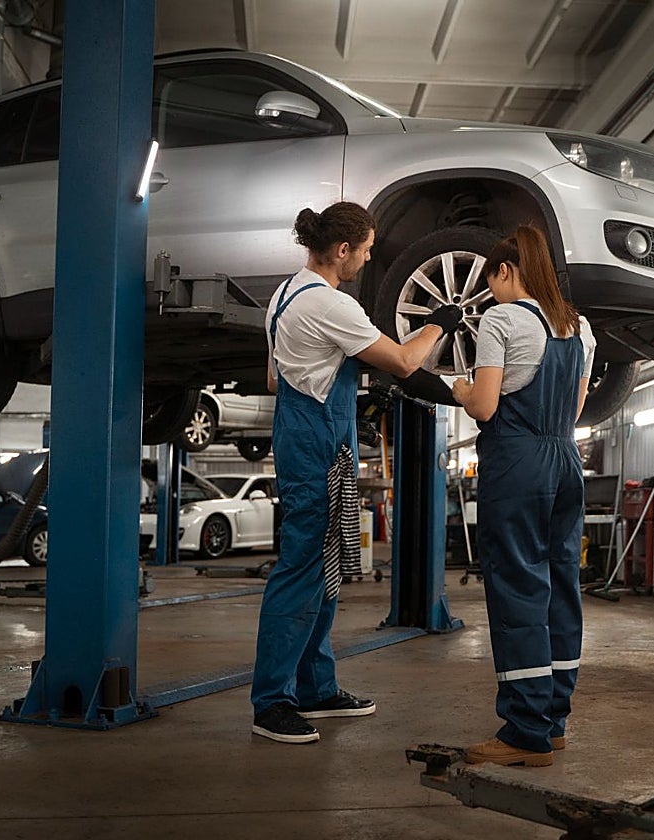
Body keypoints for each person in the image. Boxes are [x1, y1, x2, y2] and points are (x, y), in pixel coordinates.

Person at [251, 201, 464, 744]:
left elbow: (277, 379)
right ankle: (272, 703)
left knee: (323, 569)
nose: (368, 259)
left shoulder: (284, 294)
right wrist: (439, 324)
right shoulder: (330, 303)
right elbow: (406, 361)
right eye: (366, 250)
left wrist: (346, 380)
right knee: (301, 568)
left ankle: (316, 688)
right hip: (317, 445)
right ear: (342, 250)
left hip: (306, 432)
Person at [451, 225, 596, 767]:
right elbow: (575, 409)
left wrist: (461, 389)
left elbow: (485, 406)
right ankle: (553, 721)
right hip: (565, 460)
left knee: (518, 589)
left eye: (491, 281)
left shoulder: (502, 319)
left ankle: (524, 731)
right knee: (560, 586)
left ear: (506, 271)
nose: (490, 293)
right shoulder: (579, 326)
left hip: (518, 463)